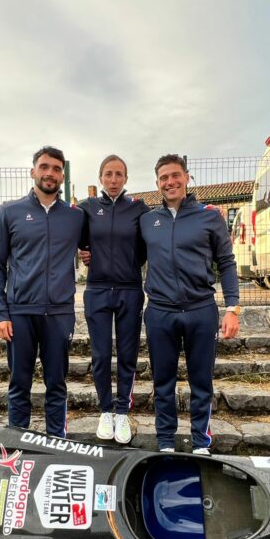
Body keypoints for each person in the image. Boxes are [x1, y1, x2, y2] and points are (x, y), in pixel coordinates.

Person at [139, 154, 241, 454]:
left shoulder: (210, 217)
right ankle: (166, 442)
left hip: (200, 311)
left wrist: (232, 308)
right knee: (163, 383)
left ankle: (200, 442)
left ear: (186, 177)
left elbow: (227, 262)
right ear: (157, 183)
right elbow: (126, 253)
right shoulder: (147, 221)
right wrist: (89, 254)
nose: (170, 182)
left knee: (201, 382)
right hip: (159, 313)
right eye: (163, 178)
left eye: (175, 175)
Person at [0, 146, 85, 437]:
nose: (49, 173)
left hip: (59, 314)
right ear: (33, 172)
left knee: (57, 384)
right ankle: (18, 445)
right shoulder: (10, 212)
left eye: (56, 169)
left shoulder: (75, 216)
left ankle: (57, 440)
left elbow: (97, 245)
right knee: (19, 383)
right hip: (19, 313)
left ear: (62, 176)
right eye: (44, 167)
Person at [77, 155, 150, 444]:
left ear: (126, 179)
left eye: (119, 174)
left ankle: (122, 412)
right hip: (96, 290)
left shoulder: (139, 209)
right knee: (101, 355)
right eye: (108, 174)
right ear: (100, 177)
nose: (114, 179)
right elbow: (80, 242)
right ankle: (105, 411)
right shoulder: (88, 209)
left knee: (128, 355)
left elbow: (145, 248)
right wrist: (85, 255)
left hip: (130, 290)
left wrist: (128, 262)